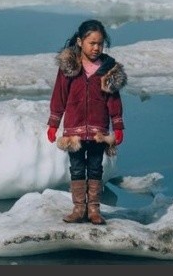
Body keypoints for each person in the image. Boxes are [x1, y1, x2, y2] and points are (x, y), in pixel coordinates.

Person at [45, 19, 127, 225]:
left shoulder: (108, 69)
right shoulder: (70, 67)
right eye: (92, 43)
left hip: (99, 129)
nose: (96, 48)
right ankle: (79, 208)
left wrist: (117, 126)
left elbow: (114, 100)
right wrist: (54, 123)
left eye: (100, 43)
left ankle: (94, 210)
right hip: (74, 129)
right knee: (77, 168)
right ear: (81, 42)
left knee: (96, 167)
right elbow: (59, 96)